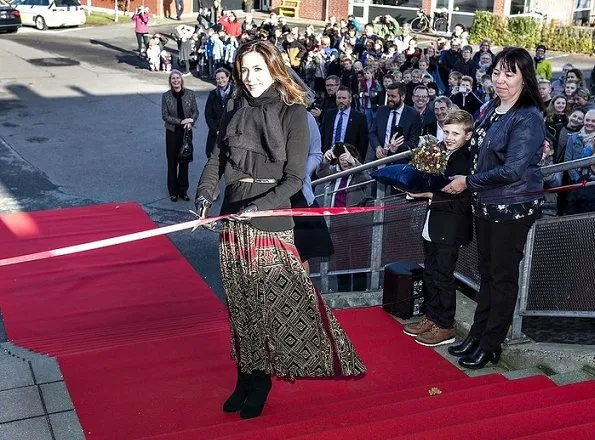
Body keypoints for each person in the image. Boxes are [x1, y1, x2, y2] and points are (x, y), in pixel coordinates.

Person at [193, 40, 366, 420]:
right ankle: (245, 374)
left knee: (266, 307)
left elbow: (292, 180)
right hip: (232, 221)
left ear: (273, 68)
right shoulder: (234, 106)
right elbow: (217, 158)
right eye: (244, 70)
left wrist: (257, 208)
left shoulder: (294, 112)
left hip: (270, 221)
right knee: (240, 306)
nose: (250, 78)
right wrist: (205, 193)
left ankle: (263, 379)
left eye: (257, 69)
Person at [443, 47, 546, 369]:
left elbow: (514, 169)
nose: (500, 80)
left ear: (524, 78)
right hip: (486, 204)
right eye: (498, 72)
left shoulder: (527, 117)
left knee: (501, 278)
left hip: (511, 207)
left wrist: (468, 182)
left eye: (509, 74)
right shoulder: (492, 108)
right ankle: (477, 335)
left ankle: (491, 344)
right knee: (486, 274)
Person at [403, 110, 474, 346]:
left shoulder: (466, 159)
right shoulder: (443, 152)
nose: (450, 137)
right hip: (433, 223)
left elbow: (463, 201)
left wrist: (428, 193)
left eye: (456, 133)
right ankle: (431, 317)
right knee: (430, 272)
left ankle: (445, 326)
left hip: (449, 227)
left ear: (468, 135)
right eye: (446, 132)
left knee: (443, 276)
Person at [316, 142, 370, 291]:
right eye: (341, 157)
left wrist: (355, 163)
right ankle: (343, 290)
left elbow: (367, 178)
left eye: (348, 157)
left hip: (356, 223)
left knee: (359, 259)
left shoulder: (359, 172)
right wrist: (325, 160)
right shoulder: (334, 171)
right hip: (337, 222)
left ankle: (360, 291)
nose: (344, 160)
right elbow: (320, 173)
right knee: (341, 259)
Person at [290, 112, 334, 275]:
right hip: (270, 198)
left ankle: (302, 297)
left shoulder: (306, 118)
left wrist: (300, 174)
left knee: (301, 254)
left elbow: (316, 154)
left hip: (299, 196)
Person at [161, 70, 199, 201]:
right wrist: (181, 121)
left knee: (184, 162)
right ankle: (173, 192)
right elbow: (165, 116)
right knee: (172, 163)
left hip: (186, 133)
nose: (175, 80)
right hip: (172, 133)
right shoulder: (166, 96)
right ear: (170, 81)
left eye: (177, 78)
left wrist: (190, 121)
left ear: (181, 80)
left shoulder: (190, 94)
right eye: (173, 79)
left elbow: (195, 111)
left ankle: (183, 191)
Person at [369, 82, 422, 161]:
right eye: (388, 96)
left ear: (402, 97)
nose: (390, 99)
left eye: (393, 96)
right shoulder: (381, 110)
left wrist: (396, 147)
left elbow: (414, 142)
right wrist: (377, 147)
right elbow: (372, 132)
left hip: (401, 162)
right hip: (379, 160)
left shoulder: (413, 115)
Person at [319, 86, 369, 161]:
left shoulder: (359, 118)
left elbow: (363, 143)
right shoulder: (328, 114)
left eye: (344, 98)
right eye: (339, 98)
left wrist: (358, 161)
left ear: (350, 99)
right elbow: (322, 136)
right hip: (329, 157)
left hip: (348, 159)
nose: (341, 101)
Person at [564, 108, 595, 214]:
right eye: (588, 120)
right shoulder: (573, 137)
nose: (590, 123)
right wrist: (578, 181)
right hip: (577, 182)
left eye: (593, 121)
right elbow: (568, 161)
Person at [204, 67, 234, 158]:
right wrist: (215, 130)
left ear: (228, 78)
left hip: (231, 134)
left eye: (222, 78)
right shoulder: (212, 94)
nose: (221, 80)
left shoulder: (236, 93)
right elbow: (208, 114)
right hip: (216, 133)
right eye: (218, 79)